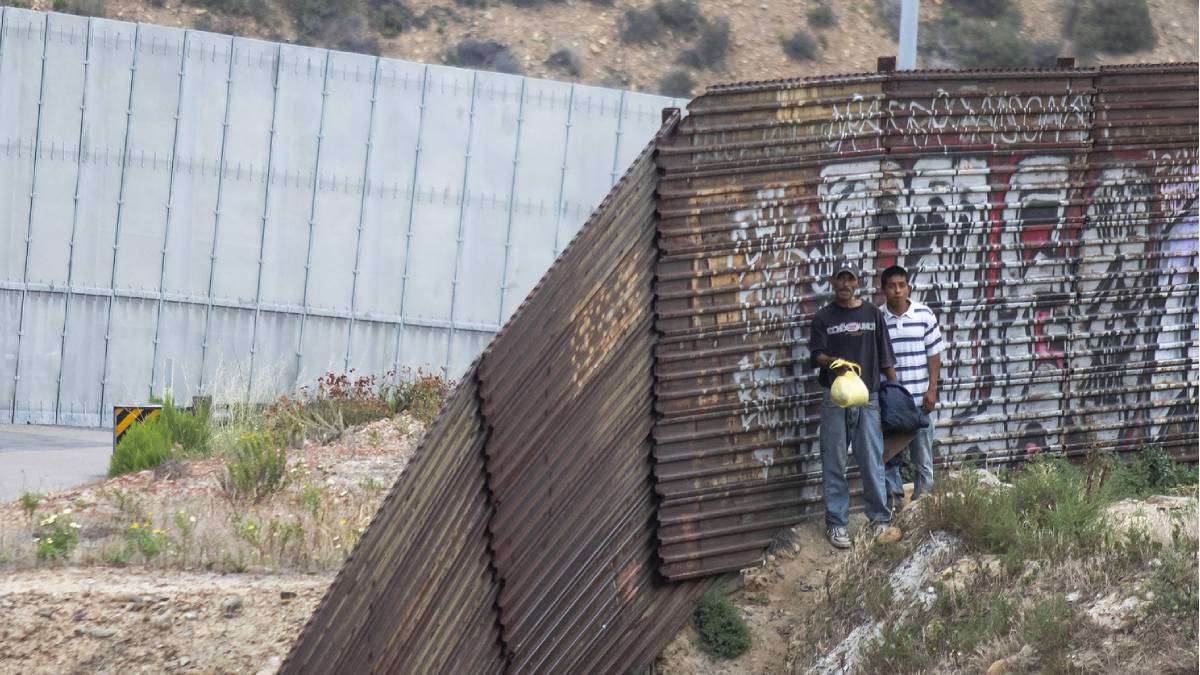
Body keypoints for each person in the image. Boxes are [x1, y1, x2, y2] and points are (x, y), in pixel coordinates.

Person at [808, 262, 899, 549]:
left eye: (850, 280)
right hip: (836, 398)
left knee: (872, 460)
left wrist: (895, 391)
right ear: (832, 283)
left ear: (857, 283)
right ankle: (837, 524)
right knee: (834, 461)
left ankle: (879, 520)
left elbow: (885, 357)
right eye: (840, 280)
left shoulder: (872, 313)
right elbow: (816, 355)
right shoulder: (823, 318)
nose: (845, 285)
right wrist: (832, 361)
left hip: (868, 398)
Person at [879, 265, 945, 508]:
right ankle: (895, 504)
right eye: (892, 286)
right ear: (883, 289)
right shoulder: (878, 318)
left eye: (902, 285)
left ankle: (923, 506)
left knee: (923, 457)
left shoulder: (924, 314)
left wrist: (932, 389)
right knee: (889, 458)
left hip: (920, 403)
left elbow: (934, 355)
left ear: (908, 287)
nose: (897, 290)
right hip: (891, 406)